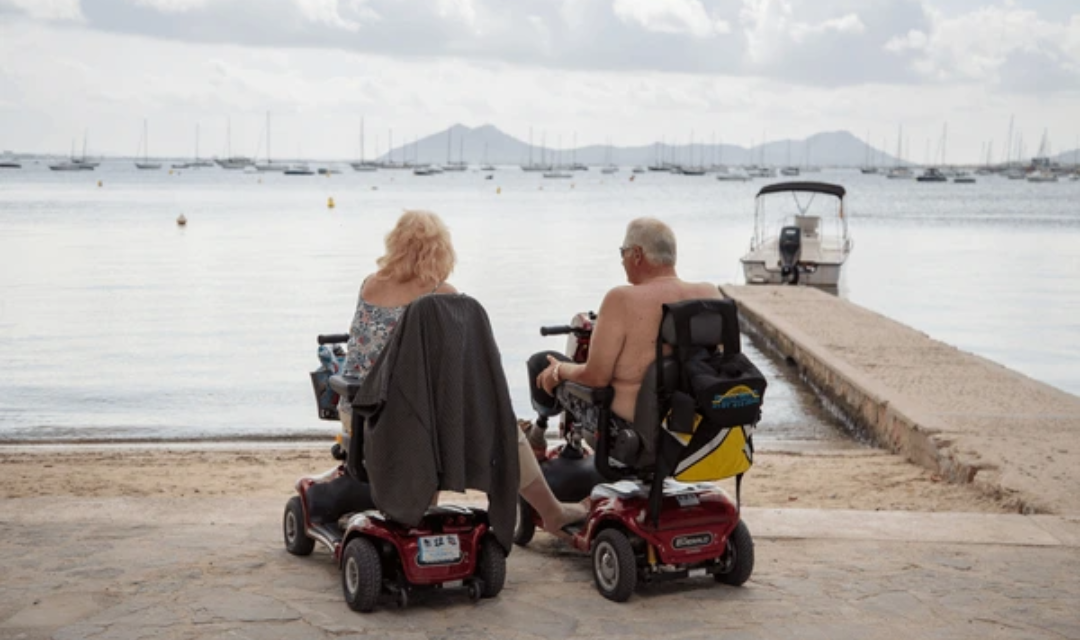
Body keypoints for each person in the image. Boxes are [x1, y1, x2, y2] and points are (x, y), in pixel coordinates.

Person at [326, 209, 586, 533]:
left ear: (394, 243)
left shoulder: (370, 285)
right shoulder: (442, 296)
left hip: (359, 412)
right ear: (441, 249)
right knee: (505, 433)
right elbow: (461, 367)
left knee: (425, 411)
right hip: (404, 419)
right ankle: (552, 512)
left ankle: (421, 515)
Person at [536, 217, 722, 422]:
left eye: (622, 252)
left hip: (640, 434)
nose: (621, 260)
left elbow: (596, 377)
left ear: (637, 254)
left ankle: (538, 440)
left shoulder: (621, 299)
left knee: (540, 364)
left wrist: (558, 371)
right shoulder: (709, 293)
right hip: (703, 424)